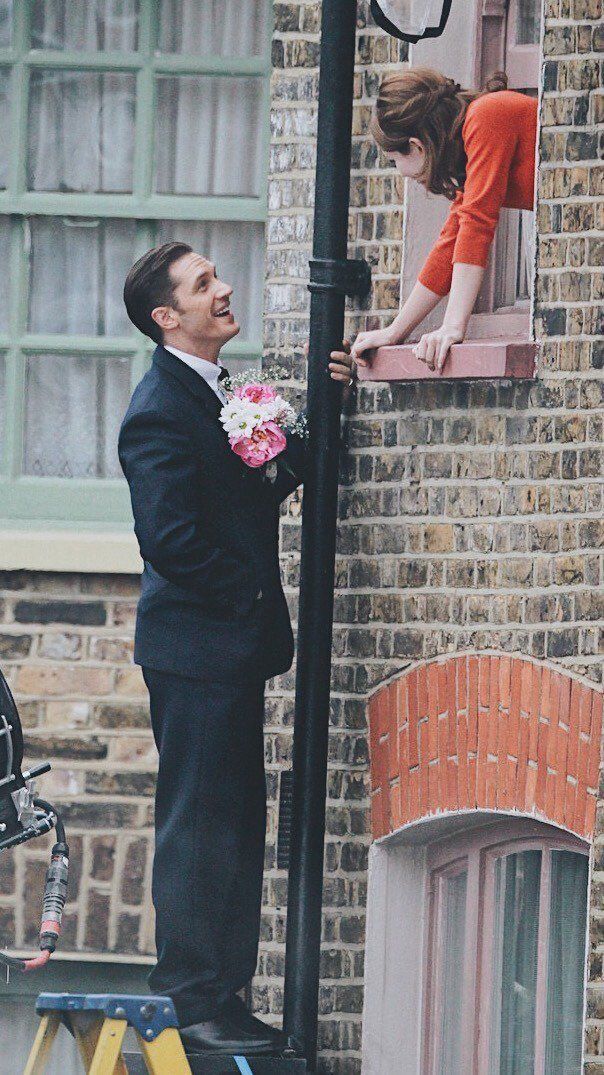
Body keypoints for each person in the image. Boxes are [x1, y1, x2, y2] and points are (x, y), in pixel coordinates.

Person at [118, 243, 353, 1056]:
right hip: (194, 646)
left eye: (217, 276)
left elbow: (261, 479)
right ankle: (189, 997)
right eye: (203, 285)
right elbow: (171, 539)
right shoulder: (159, 406)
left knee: (235, 819)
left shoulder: (216, 390)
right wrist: (248, 593)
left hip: (228, 647)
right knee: (200, 821)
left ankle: (225, 992)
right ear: (166, 316)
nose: (223, 290)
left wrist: (316, 411)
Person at [351, 68, 538, 373]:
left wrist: (452, 326)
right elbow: (451, 242)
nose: (400, 171)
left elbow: (478, 225)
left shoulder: (487, 115)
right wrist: (395, 331)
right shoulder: (474, 138)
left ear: (416, 145)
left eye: (395, 159)